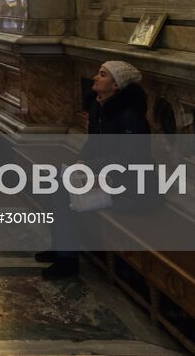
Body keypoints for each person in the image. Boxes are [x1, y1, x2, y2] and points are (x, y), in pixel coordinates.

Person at [35, 60, 152, 279]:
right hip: (105, 177)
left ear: (116, 85)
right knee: (50, 182)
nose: (95, 78)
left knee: (61, 190)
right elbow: (93, 143)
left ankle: (67, 259)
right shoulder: (98, 106)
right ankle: (59, 245)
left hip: (130, 187)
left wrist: (89, 167)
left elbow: (131, 159)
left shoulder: (129, 115)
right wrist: (80, 164)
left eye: (102, 75)